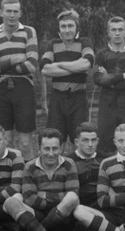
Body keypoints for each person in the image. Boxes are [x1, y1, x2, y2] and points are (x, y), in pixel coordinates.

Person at [2, 128, 78, 231]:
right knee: (10, 201)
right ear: (39, 148)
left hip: (62, 218)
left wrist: (42, 195)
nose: (51, 153)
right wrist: (57, 197)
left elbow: (73, 194)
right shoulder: (30, 166)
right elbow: (30, 199)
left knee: (72, 198)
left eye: (55, 148)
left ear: (61, 148)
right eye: (46, 148)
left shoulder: (69, 164)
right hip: (36, 215)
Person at [0, 0, 39, 161]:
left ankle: (30, 179)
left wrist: (1, 64)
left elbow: (32, 65)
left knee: (25, 144)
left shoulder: (29, 31)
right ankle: (7, 180)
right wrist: (16, 59)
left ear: (20, 13)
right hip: (0, 89)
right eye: (8, 11)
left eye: (15, 11)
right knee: (4, 141)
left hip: (24, 88)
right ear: (1, 12)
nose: (12, 15)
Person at [40, 9, 95, 145]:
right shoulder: (53, 44)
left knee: (81, 139)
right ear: (59, 29)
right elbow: (45, 68)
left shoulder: (85, 42)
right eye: (63, 26)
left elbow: (86, 64)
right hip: (57, 99)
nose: (67, 30)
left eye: (70, 26)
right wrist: (74, 67)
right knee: (54, 140)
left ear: (77, 28)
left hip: (78, 99)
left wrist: (59, 65)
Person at [93, 16, 125, 154]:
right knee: (105, 143)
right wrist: (123, 76)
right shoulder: (101, 54)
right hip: (107, 102)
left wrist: (110, 78)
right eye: (113, 30)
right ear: (108, 32)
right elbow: (98, 79)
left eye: (120, 29)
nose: (117, 33)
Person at [64, 122, 108, 208]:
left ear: (98, 141)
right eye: (85, 140)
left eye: (93, 140)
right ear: (77, 142)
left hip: (101, 205)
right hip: (76, 206)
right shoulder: (67, 162)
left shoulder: (105, 160)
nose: (90, 144)